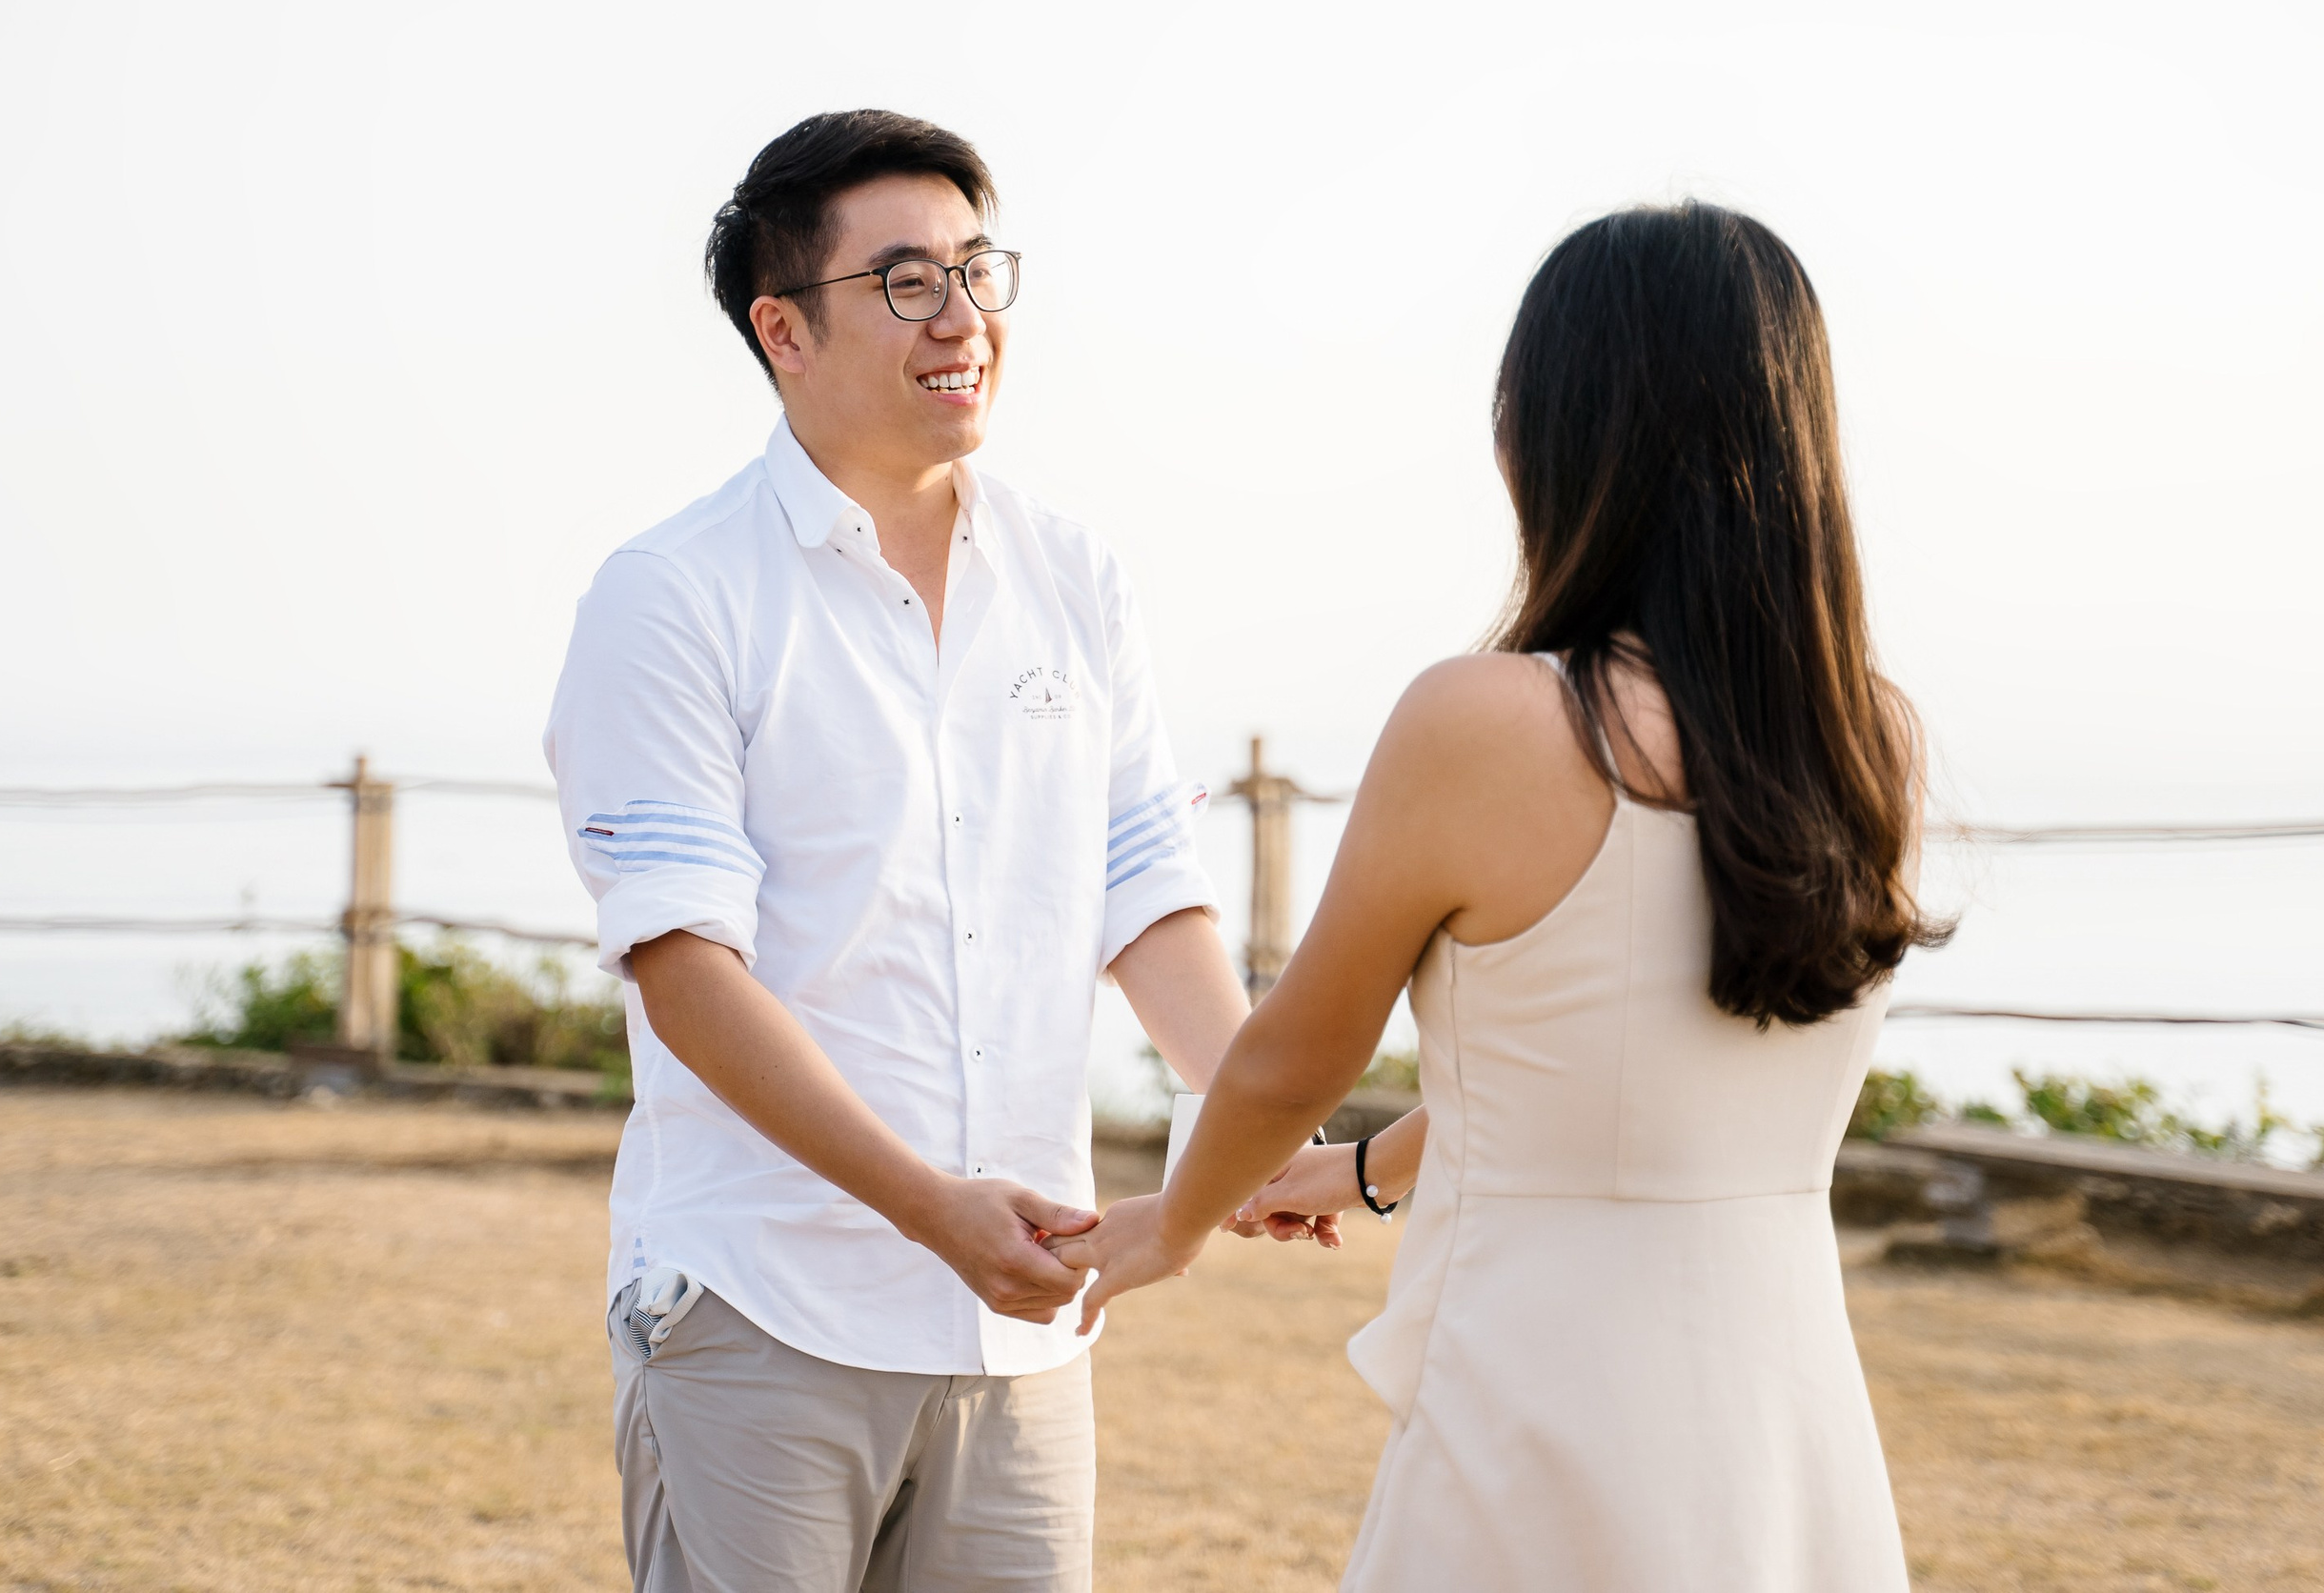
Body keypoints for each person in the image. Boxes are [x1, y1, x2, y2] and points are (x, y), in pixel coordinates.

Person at [1053, 201, 1948, 1590]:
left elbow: (1299, 1049)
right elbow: (1610, 1058)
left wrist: (1170, 1226)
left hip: (1556, 1395)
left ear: (1561, 431)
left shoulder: (1494, 720)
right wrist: (1355, 1174)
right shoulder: (1858, 733)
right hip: (1783, 1402)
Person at [544, 110, 1264, 1593]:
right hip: (763, 1305)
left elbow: (1146, 887)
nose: (964, 319)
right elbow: (687, 969)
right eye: (907, 281)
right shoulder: (672, 595)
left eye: (978, 271)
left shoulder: (1077, 575)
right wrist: (928, 1207)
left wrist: (1251, 1119)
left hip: (1025, 1323)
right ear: (783, 330)